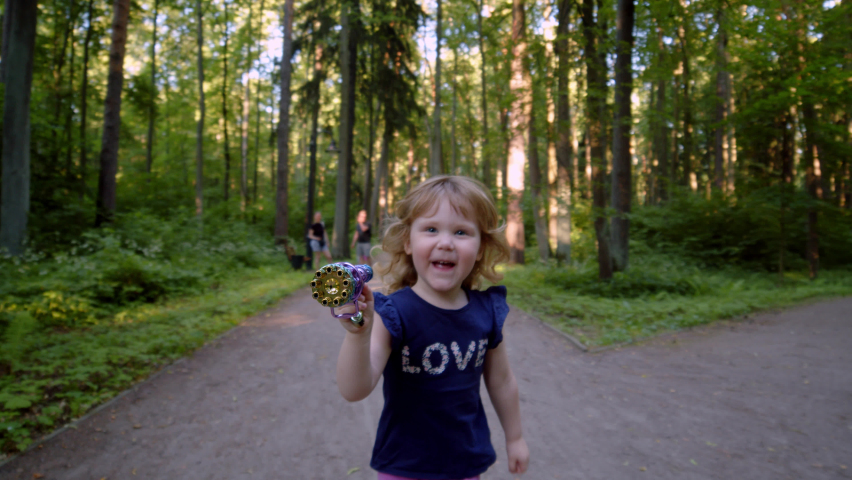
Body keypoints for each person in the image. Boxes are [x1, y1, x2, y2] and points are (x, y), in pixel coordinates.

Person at [334, 175, 529, 480]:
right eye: (431, 229)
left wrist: (515, 437)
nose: (446, 242)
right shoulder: (394, 313)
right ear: (409, 241)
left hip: (465, 465)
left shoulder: (487, 312)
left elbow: (502, 381)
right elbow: (353, 390)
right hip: (403, 466)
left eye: (462, 232)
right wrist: (358, 335)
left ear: (480, 248)